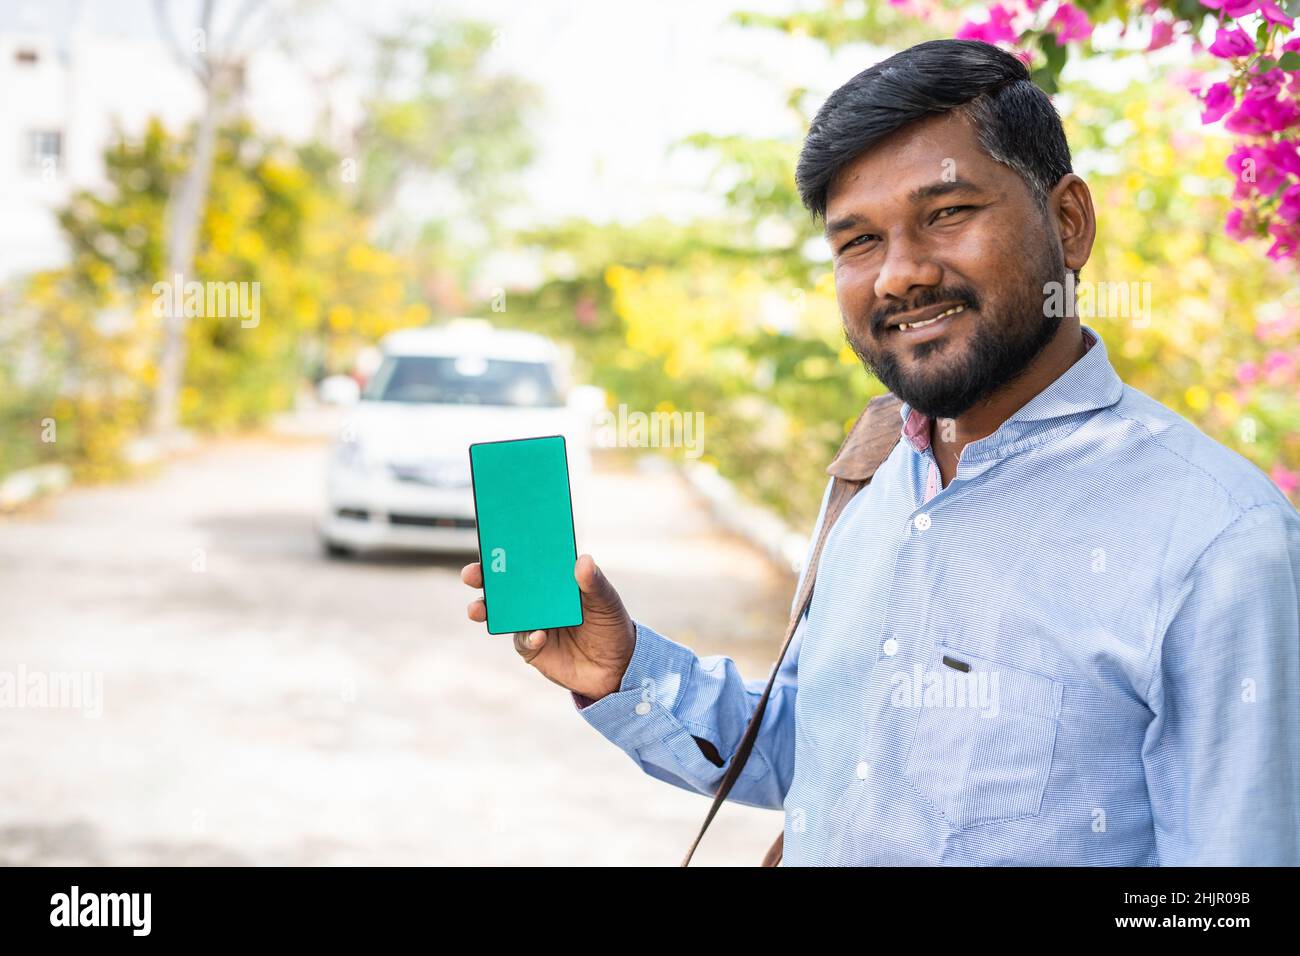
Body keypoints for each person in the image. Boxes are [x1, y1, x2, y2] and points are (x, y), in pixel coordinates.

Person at [462, 38, 1300, 865]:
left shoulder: (1218, 545)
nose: (897, 275)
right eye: (857, 241)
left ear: (1069, 222)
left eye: (946, 214)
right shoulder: (873, 477)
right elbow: (824, 759)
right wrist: (626, 669)